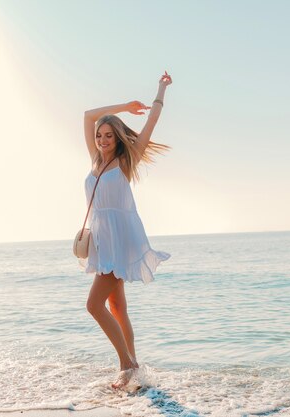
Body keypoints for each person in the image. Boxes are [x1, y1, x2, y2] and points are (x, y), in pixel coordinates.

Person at [79, 71, 173, 389]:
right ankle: (134, 367)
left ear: (118, 137)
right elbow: (88, 115)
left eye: (108, 135)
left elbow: (153, 120)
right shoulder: (95, 161)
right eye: (99, 135)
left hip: (120, 243)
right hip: (102, 242)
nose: (103, 139)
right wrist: (121, 106)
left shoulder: (125, 160)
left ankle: (127, 364)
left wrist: (160, 89)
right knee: (117, 306)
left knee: (94, 305)